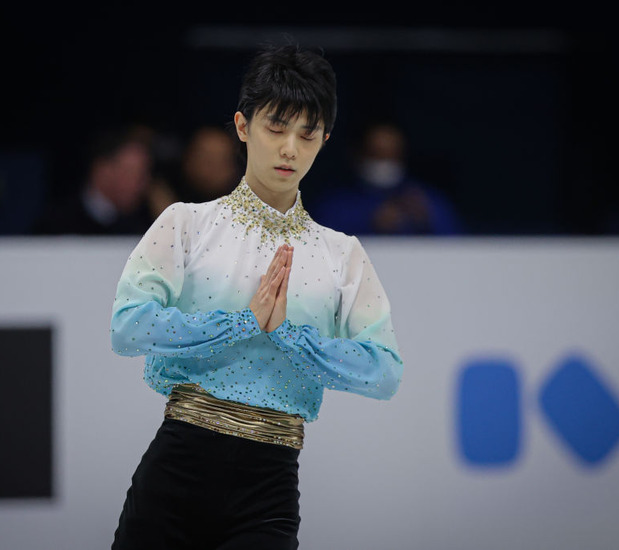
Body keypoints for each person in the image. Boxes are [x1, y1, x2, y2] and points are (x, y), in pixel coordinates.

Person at [108, 44, 403, 549]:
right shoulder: (187, 224)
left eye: (307, 134)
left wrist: (290, 337)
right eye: (276, 127)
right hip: (176, 471)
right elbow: (127, 327)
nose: (290, 148)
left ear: (324, 140)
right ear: (243, 126)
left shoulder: (341, 255)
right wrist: (240, 322)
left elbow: (385, 370)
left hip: (268, 488)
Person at [310, 121, 462, 235]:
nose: (385, 163)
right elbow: (318, 240)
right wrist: (370, 222)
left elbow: (460, 241)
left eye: (392, 155)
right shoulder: (336, 204)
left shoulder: (424, 199)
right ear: (358, 155)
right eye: (377, 154)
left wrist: (427, 217)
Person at [33, 125, 172, 235]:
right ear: (102, 171)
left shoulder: (145, 224)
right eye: (133, 173)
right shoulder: (55, 224)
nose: (143, 184)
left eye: (145, 174)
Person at [165, 125, 241, 204]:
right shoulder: (165, 195)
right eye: (208, 161)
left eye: (222, 161)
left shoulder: (242, 205)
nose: (214, 170)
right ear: (188, 159)